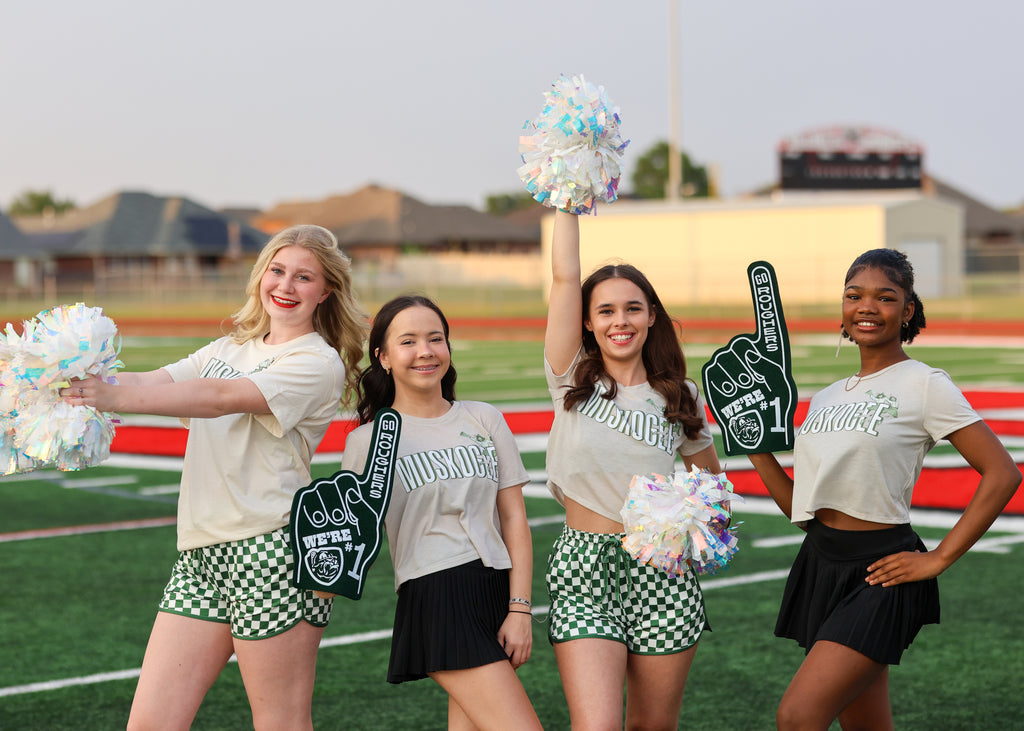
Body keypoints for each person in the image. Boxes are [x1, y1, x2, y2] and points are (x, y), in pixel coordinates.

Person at [62, 224, 368, 731]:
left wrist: (112, 399)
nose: (286, 287)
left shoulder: (317, 361)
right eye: (277, 270)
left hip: (271, 552)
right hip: (200, 553)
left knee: (280, 723)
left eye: (304, 277)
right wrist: (70, 382)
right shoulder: (229, 347)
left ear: (326, 291)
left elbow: (221, 399)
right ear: (260, 274)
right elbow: (152, 381)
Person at [747, 248, 1021, 730]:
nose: (866, 307)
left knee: (797, 715)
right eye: (854, 296)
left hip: (883, 570)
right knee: (866, 725)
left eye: (884, 297)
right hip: (822, 562)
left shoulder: (924, 384)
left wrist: (938, 559)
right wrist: (753, 446)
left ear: (907, 310)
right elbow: (801, 507)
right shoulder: (828, 396)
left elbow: (1003, 473)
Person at [544, 209, 723, 729]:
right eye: (605, 311)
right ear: (587, 321)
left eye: (632, 309)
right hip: (584, 568)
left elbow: (714, 492)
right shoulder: (570, 376)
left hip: (662, 575)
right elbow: (563, 278)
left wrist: (692, 517)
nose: (619, 321)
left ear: (651, 317)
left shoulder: (679, 395)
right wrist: (567, 205)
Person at [340, 294, 542, 731]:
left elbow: (513, 519)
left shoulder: (484, 419)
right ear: (384, 357)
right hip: (436, 592)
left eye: (436, 339)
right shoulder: (368, 442)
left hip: (496, 588)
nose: (425, 351)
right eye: (408, 341)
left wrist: (520, 607)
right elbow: (350, 538)